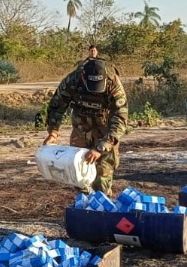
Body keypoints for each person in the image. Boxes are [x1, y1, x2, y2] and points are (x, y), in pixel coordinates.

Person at [41, 57, 128, 195]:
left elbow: (120, 118)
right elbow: (56, 106)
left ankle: (101, 209)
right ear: (83, 76)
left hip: (105, 130)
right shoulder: (72, 81)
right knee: (78, 173)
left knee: (103, 176)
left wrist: (101, 147)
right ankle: (83, 208)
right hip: (81, 127)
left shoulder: (113, 83)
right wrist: (53, 132)